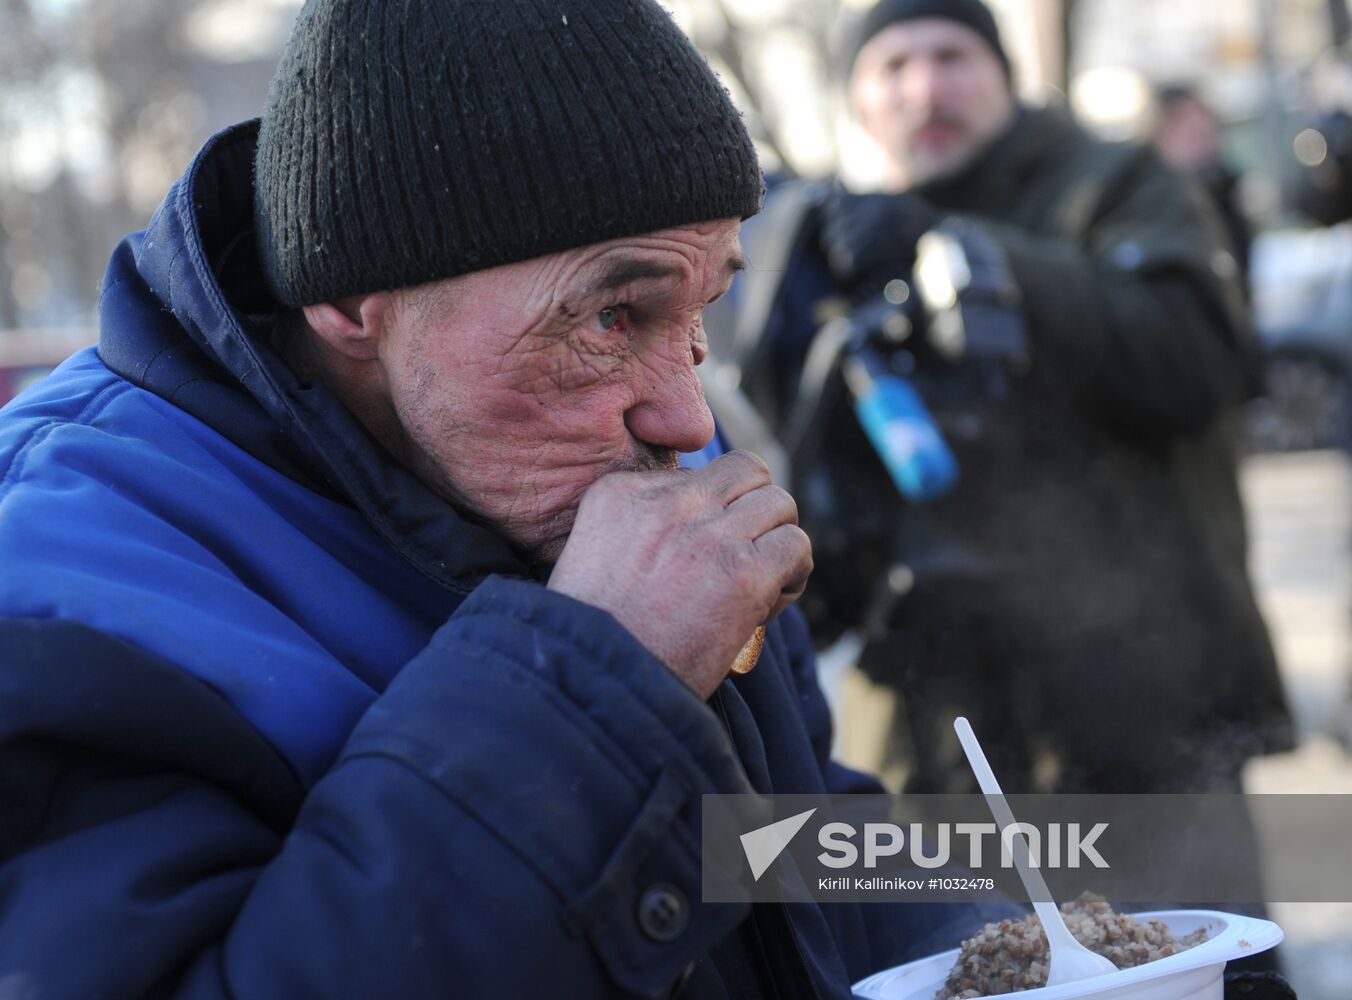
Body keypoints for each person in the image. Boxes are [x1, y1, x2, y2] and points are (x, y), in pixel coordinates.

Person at [0, 1, 998, 995]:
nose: (688, 419)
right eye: (612, 315)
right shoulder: (60, 579)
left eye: (700, 309)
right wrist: (596, 682)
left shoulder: (625, 440)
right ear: (352, 297)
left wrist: (999, 945)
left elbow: (787, 837)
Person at [729, 0, 1293, 797]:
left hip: (1144, 714)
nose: (925, 87)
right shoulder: (840, 243)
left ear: (1004, 75)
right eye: (893, 66)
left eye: (950, 56)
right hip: (935, 730)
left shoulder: (1115, 185)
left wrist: (964, 253)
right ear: (858, 101)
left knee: (1179, 925)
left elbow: (1196, 365)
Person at [1151, 83, 1253, 291]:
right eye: (1185, 125)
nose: (1201, 130)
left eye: (1202, 120)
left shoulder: (1225, 190)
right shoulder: (1154, 206)